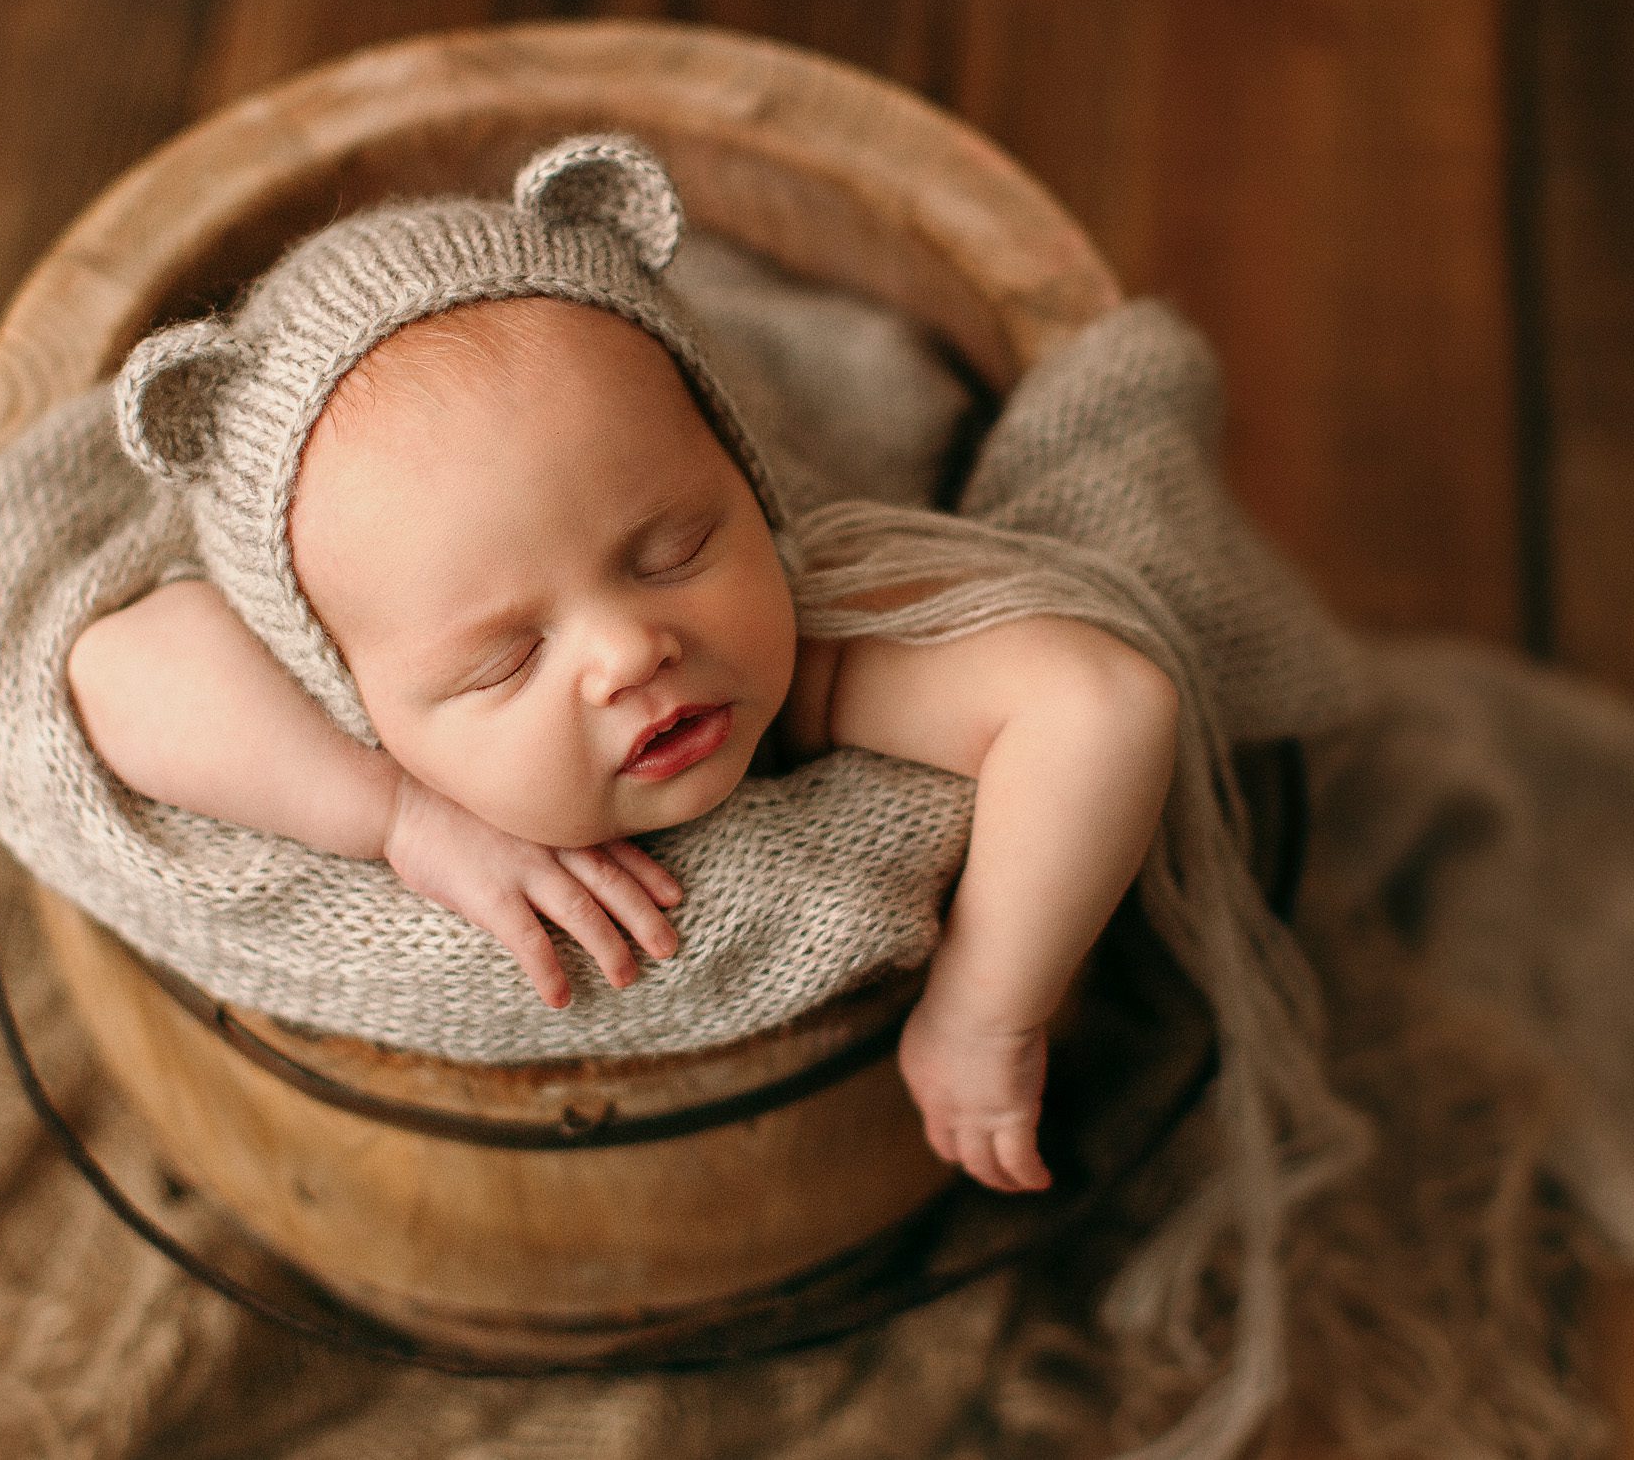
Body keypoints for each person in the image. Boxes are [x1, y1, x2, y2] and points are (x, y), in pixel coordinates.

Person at [62, 136, 1179, 1196]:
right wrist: (401, 816)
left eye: (675, 548)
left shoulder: (810, 648)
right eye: (505, 658)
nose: (629, 649)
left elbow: (1099, 704)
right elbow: (107, 665)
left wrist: (986, 1010)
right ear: (344, 696)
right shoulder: (334, 722)